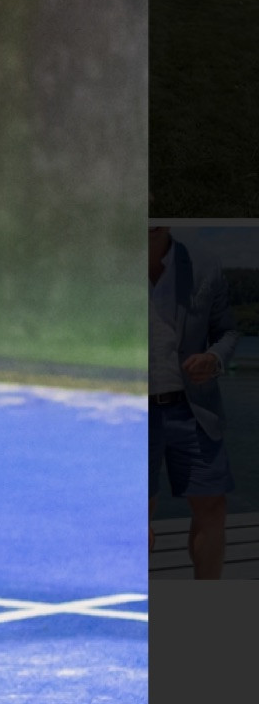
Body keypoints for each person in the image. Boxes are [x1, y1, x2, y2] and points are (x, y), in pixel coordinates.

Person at [149, 225, 239, 580]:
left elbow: (227, 331)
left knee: (212, 509)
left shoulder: (204, 266)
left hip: (193, 410)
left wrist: (214, 359)